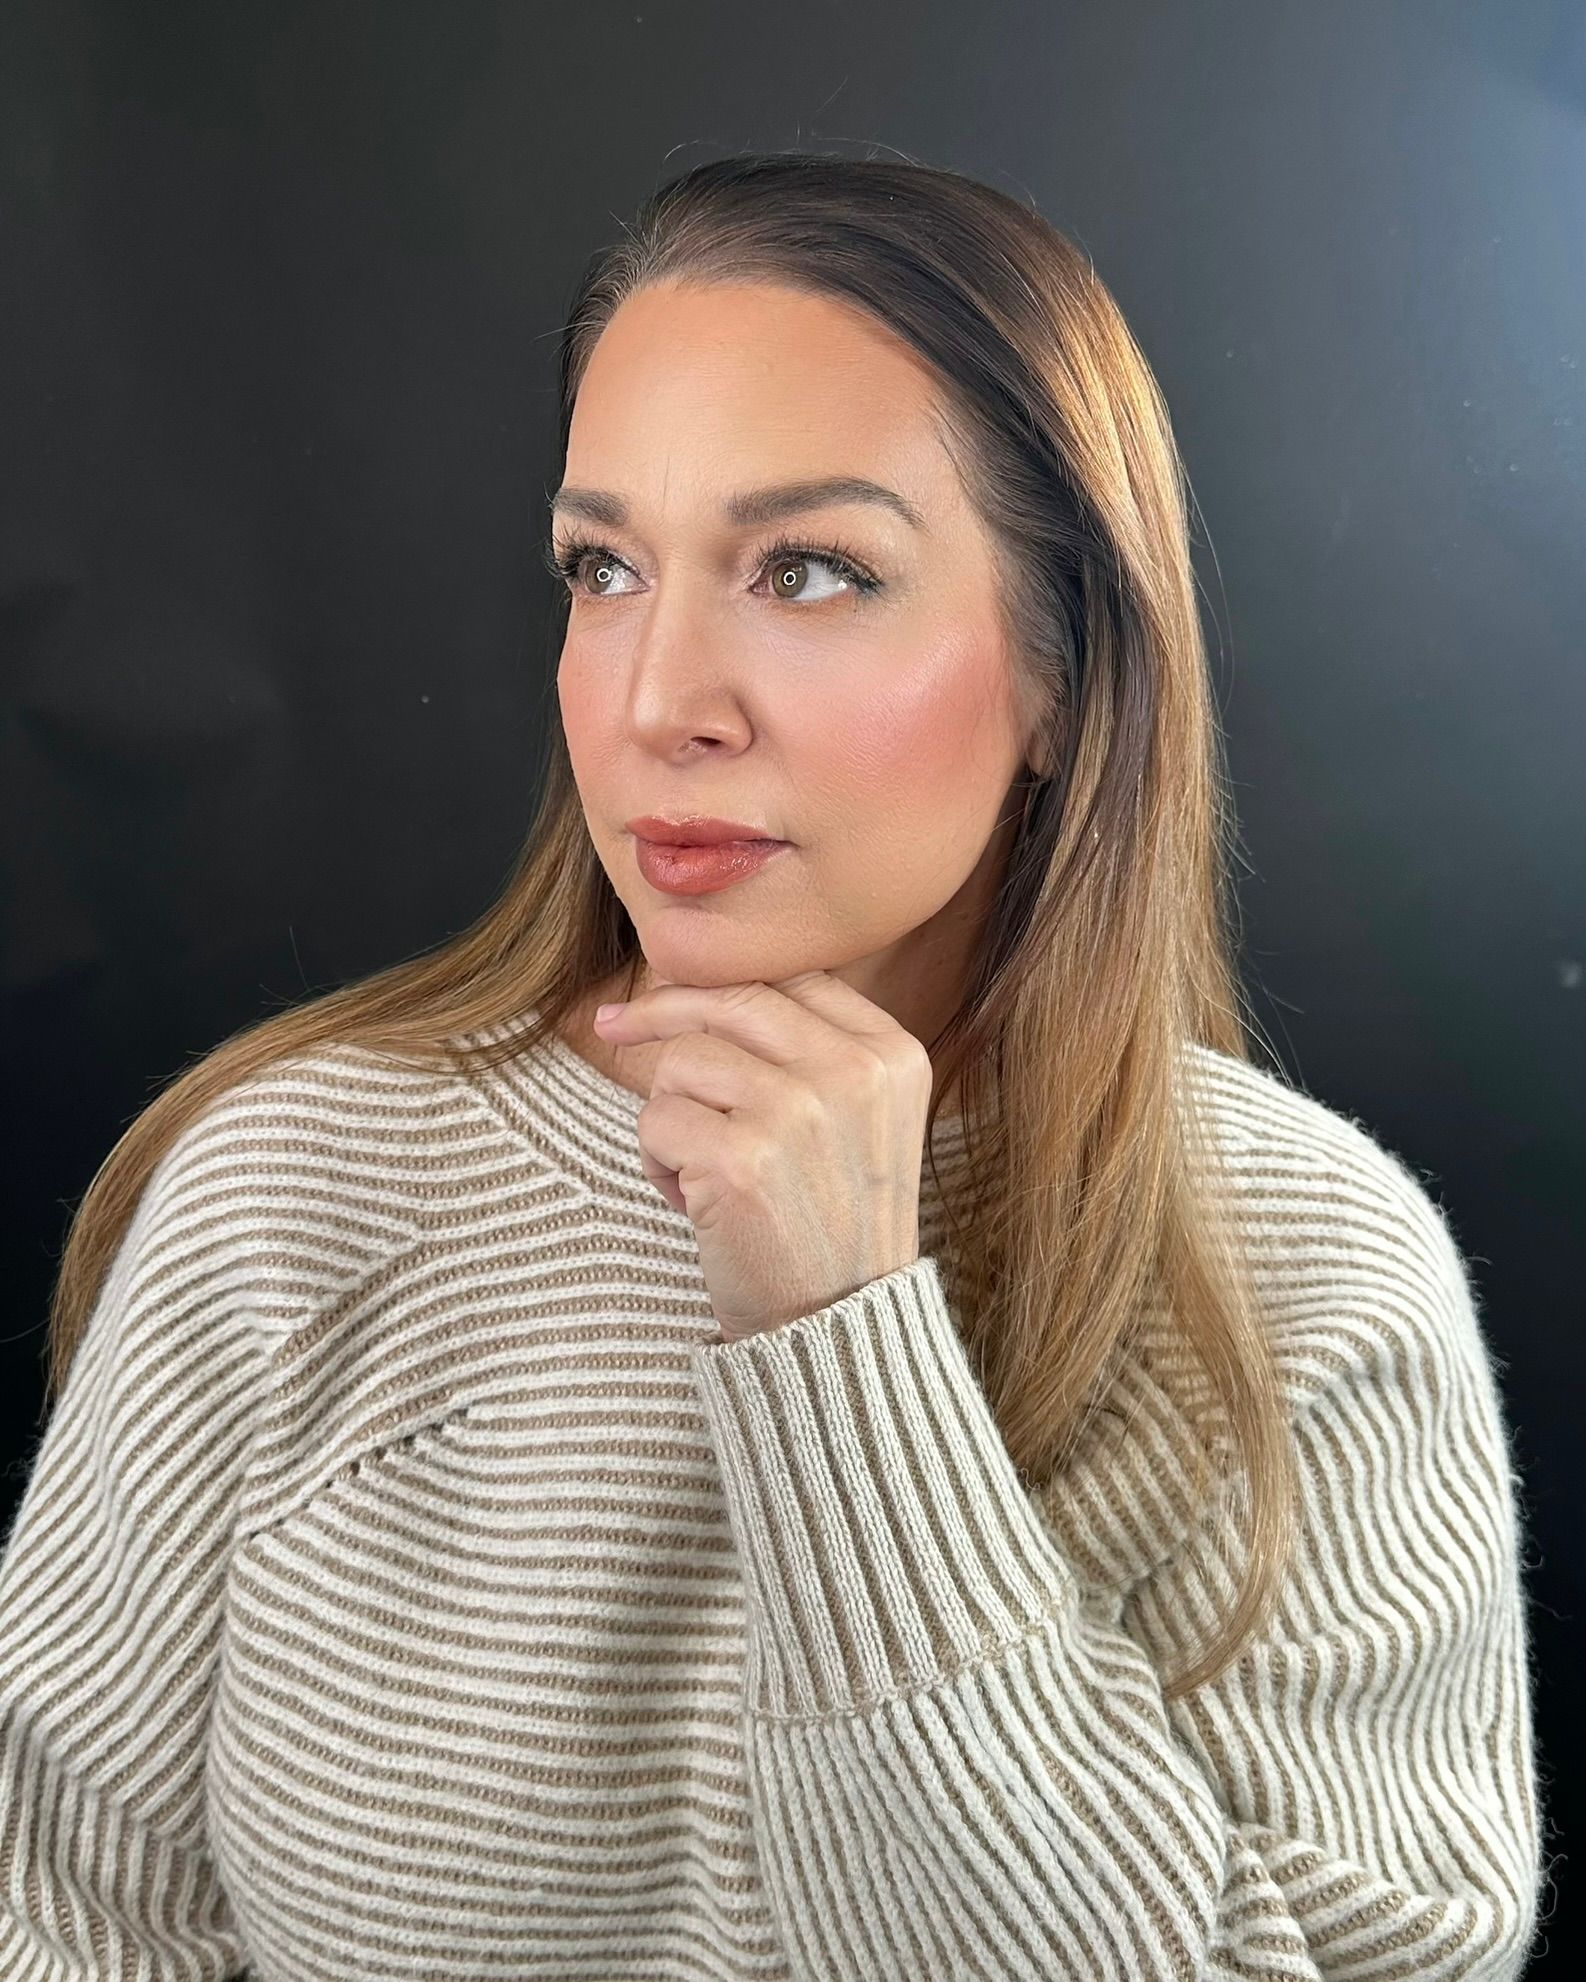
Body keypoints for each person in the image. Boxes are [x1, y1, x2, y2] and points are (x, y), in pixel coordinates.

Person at [0, 152, 1547, 1980]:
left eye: (808, 571)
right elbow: (63, 1912)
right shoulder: (290, 1190)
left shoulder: (1308, 1274)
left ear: (1063, 673)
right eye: (602, 568)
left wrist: (841, 1346)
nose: (659, 700)